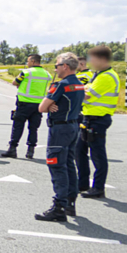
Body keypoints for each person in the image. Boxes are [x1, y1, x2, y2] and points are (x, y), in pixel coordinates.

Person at [35, 52, 86, 222]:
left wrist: (50, 105)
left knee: (56, 164)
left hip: (60, 128)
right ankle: (70, 202)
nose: (55, 69)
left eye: (56, 66)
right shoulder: (79, 84)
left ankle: (59, 206)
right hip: (73, 125)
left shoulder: (61, 85)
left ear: (65, 66)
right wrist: (53, 105)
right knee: (69, 164)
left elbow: (42, 107)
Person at [78, 45, 120, 199]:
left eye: (92, 59)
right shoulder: (98, 74)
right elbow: (85, 90)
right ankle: (82, 183)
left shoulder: (106, 77)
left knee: (97, 154)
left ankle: (98, 187)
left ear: (102, 59)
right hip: (89, 117)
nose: (89, 62)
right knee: (79, 150)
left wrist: (77, 92)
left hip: (98, 119)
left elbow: (87, 95)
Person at [2, 54, 52, 159]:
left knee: (18, 127)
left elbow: (14, 82)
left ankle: (12, 149)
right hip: (38, 105)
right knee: (33, 129)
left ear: (33, 61)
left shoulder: (26, 72)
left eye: (28, 61)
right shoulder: (47, 74)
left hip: (24, 103)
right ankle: (31, 151)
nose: (27, 63)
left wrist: (20, 85)